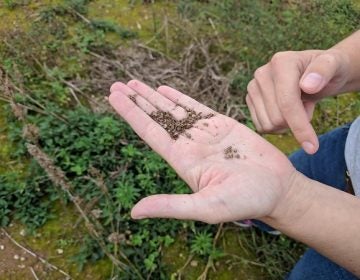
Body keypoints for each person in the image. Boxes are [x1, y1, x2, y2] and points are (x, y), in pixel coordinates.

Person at [108, 30, 360, 279]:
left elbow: (287, 192)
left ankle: (266, 213)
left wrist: (289, 199)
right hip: (346, 147)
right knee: (293, 170)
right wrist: (343, 63)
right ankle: (260, 219)